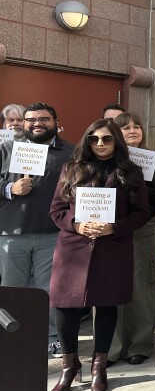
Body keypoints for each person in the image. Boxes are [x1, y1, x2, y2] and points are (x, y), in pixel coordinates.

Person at [47, 119, 149, 391]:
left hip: (111, 248)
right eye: (94, 139)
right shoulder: (71, 169)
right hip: (72, 248)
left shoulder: (131, 172)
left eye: (107, 139)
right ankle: (69, 366)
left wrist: (113, 228)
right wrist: (77, 225)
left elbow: (141, 213)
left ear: (117, 141)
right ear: (87, 141)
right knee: (64, 306)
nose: (100, 144)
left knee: (106, 305)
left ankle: (98, 367)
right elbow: (56, 209)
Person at [0, 102, 74, 355]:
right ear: (24, 123)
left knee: (50, 290)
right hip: (12, 235)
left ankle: (52, 336)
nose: (37, 124)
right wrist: (10, 189)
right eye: (31, 120)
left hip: (52, 234)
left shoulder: (69, 152)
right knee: (12, 289)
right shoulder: (7, 149)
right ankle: (13, 337)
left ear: (55, 121)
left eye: (44, 119)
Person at [108, 112, 155, 365]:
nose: (133, 130)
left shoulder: (153, 160)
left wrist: (139, 189)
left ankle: (139, 345)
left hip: (144, 227)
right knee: (110, 286)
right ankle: (110, 347)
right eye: (126, 128)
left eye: (137, 127)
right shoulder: (106, 158)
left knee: (142, 285)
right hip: (110, 229)